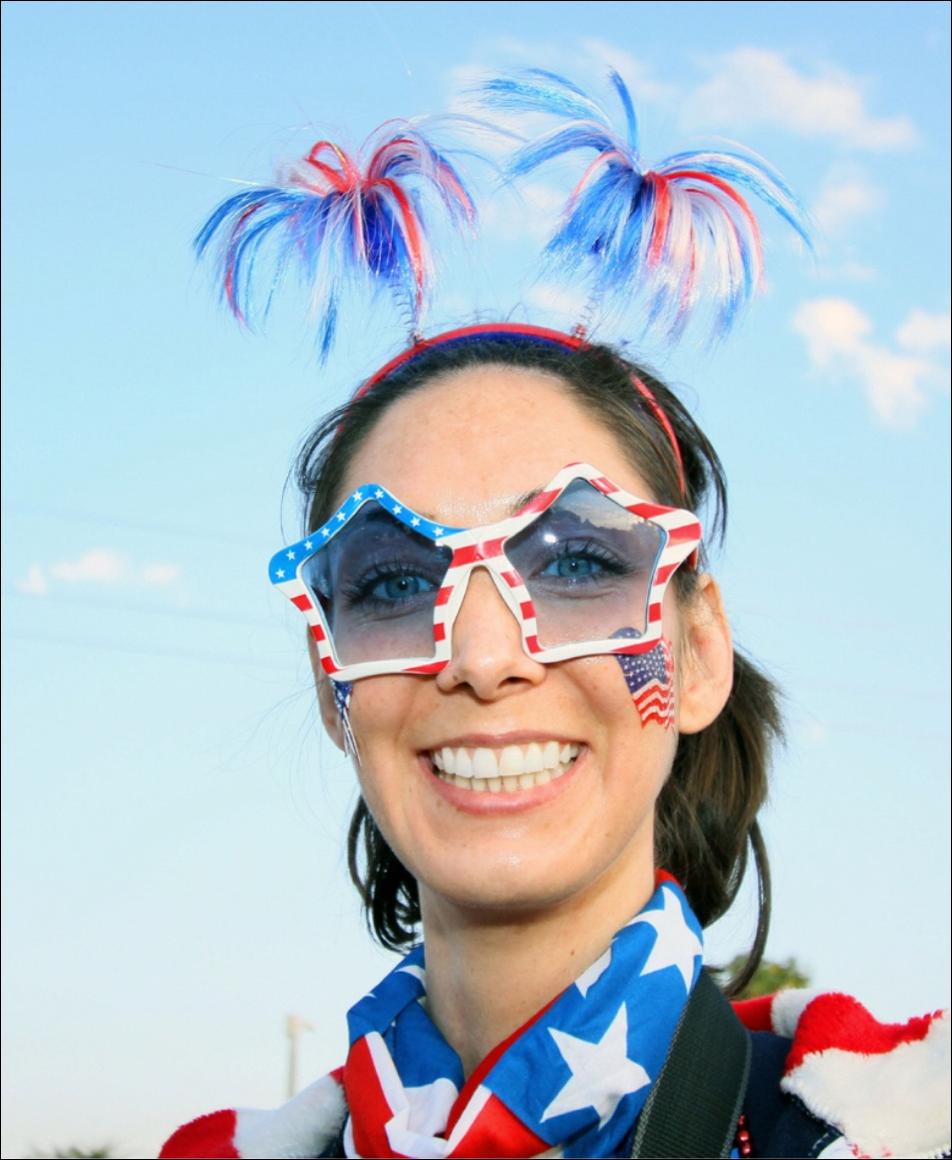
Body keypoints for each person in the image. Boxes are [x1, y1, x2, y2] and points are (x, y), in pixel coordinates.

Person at [161, 73, 949, 1160]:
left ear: (697, 650)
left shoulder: (902, 1119)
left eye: (577, 562)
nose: (484, 656)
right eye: (392, 583)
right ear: (330, 678)